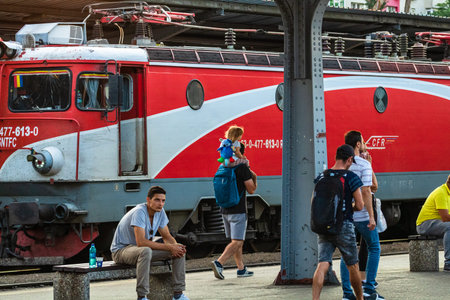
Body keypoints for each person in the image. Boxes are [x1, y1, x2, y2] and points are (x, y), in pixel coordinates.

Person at [110, 186, 189, 300]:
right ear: (148, 200)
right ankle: (142, 297)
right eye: (157, 200)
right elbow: (141, 242)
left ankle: (178, 295)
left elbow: (166, 236)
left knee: (179, 249)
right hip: (121, 251)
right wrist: (169, 247)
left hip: (140, 251)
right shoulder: (139, 212)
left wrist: (176, 247)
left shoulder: (160, 212)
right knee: (145, 250)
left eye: (163, 201)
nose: (160, 204)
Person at [312, 144, 364, 300]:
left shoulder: (322, 176)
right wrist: (349, 207)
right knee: (353, 265)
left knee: (323, 264)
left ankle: (315, 299)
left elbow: (313, 202)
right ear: (349, 159)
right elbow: (360, 205)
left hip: (323, 226)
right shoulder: (351, 177)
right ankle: (360, 298)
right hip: (344, 226)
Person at [340, 131, 383, 300]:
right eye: (363, 141)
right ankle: (369, 288)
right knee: (374, 247)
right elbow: (369, 190)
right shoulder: (363, 165)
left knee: (347, 253)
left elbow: (372, 187)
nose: (365, 143)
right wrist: (371, 217)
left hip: (347, 216)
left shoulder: (342, 164)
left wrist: (369, 165)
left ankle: (347, 293)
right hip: (363, 215)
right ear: (358, 144)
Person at [211, 143, 257, 280]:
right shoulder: (241, 167)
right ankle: (219, 263)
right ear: (239, 152)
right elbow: (251, 189)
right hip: (238, 209)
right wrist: (254, 176)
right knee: (237, 241)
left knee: (237, 241)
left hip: (224, 208)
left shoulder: (223, 165)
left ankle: (241, 269)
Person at [416, 174, 450, 271]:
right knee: (449, 227)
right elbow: (445, 217)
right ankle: (449, 263)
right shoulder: (441, 193)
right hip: (425, 224)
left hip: (437, 222)